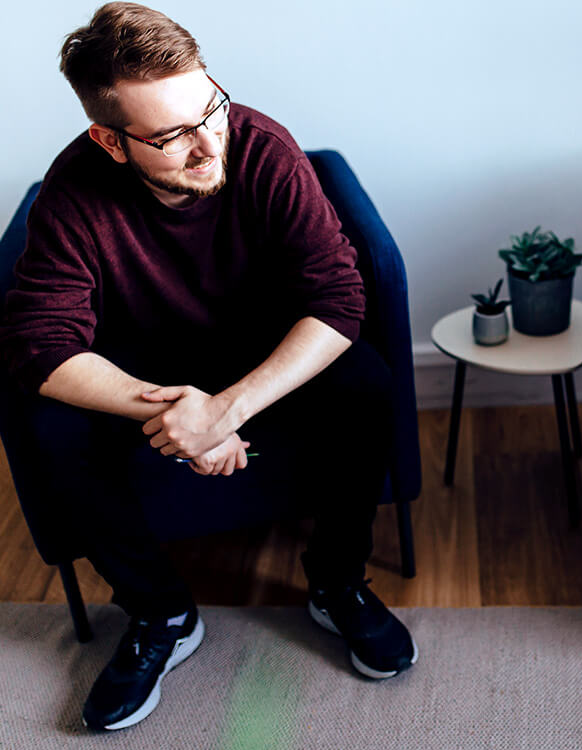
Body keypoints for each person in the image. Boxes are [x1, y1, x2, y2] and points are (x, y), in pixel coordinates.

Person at [0, 2, 417, 731]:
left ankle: (336, 581)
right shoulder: (74, 190)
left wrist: (225, 411)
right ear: (111, 140)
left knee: (366, 384)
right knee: (46, 427)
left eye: (210, 108)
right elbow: (39, 343)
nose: (206, 145)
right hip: (142, 368)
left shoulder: (263, 146)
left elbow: (339, 299)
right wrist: (178, 415)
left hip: (262, 350)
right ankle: (160, 612)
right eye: (170, 136)